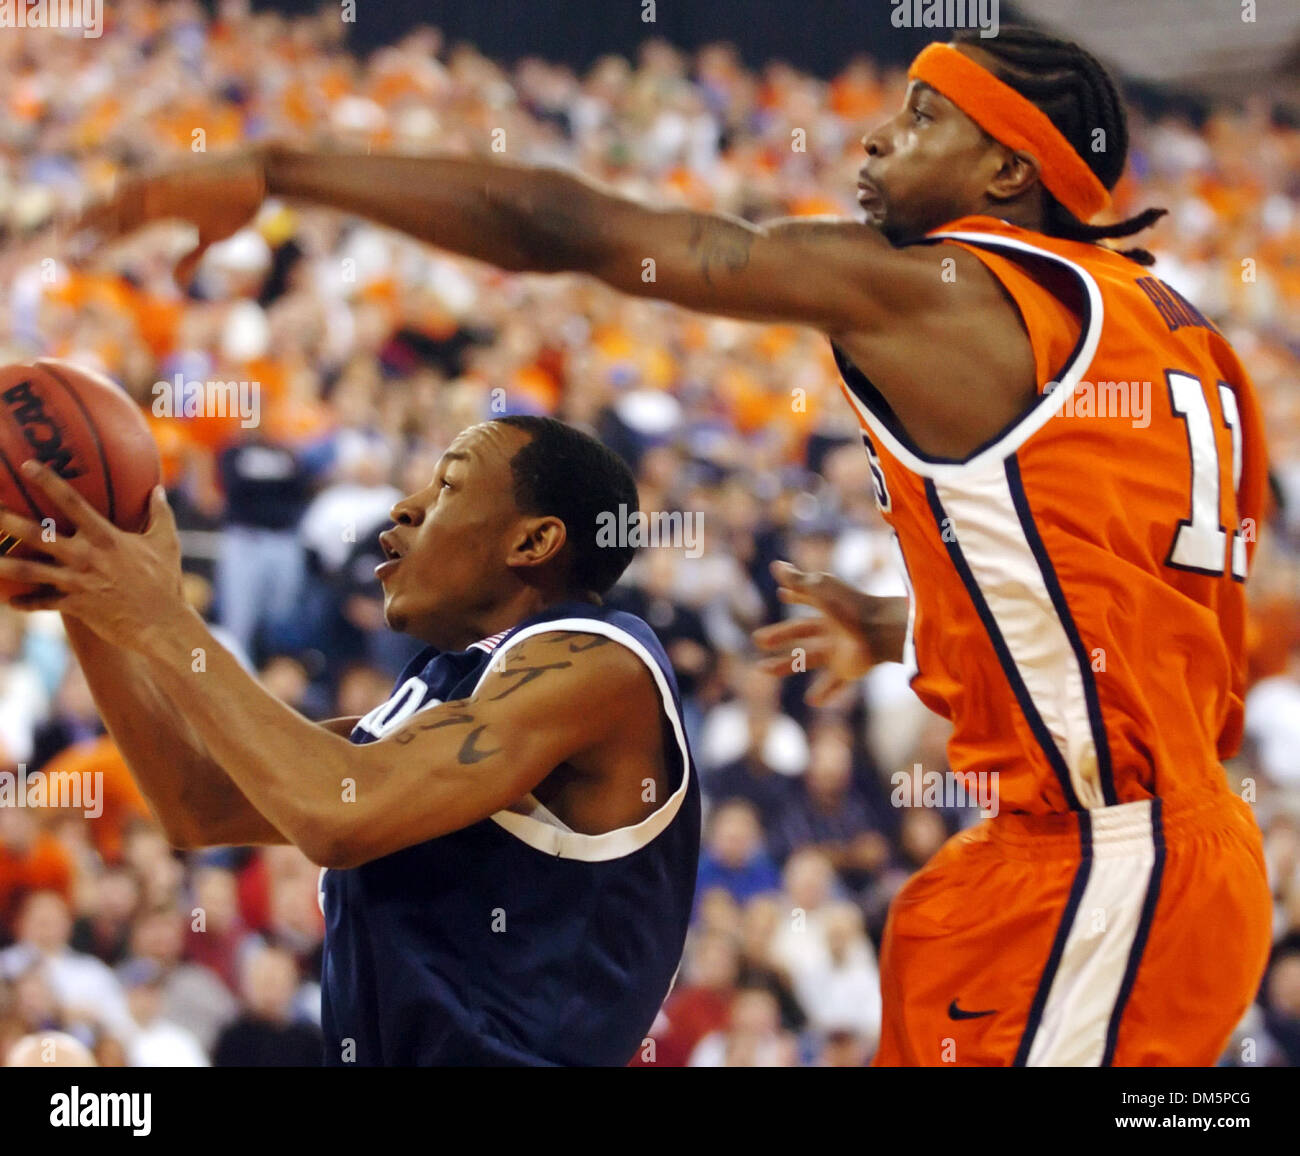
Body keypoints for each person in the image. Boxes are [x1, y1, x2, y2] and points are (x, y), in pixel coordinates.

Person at [61, 25, 1268, 1066]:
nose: (871, 139)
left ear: (1008, 167)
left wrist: (277, 167)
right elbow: (1153, 601)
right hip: (1070, 856)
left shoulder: (949, 294)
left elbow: (571, 225)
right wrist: (919, 622)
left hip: (1111, 859)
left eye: (920, 116)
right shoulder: (1166, 335)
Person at [0, 416, 699, 1066]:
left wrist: (163, 618)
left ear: (533, 542)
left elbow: (338, 815)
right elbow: (200, 800)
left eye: (449, 485)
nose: (405, 507)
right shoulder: (451, 684)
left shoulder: (596, 664)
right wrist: (83, 596)